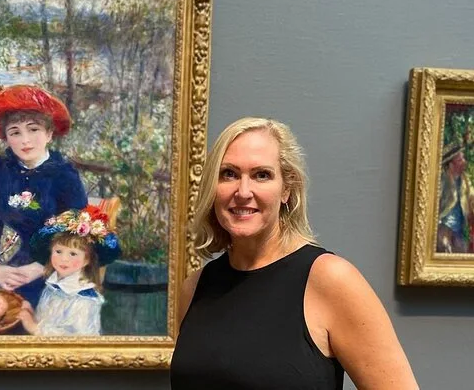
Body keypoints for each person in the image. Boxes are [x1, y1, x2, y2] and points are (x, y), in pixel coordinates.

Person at [170, 117, 418, 389]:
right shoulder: (194, 288)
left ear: (286, 189)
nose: (243, 191)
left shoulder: (331, 279)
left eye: (261, 175)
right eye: (229, 174)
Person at [0, 84, 88, 309]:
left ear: (49, 134)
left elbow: (79, 240)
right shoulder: (4, 177)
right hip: (10, 275)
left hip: (54, 277)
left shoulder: (64, 177)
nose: (25, 140)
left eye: (33, 130)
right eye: (15, 132)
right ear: (6, 138)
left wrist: (39, 268)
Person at [18, 205, 121, 335]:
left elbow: (74, 339)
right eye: (58, 251)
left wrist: (34, 328)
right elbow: (47, 321)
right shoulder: (53, 285)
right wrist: (30, 314)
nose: (64, 259)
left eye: (73, 254)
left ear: (87, 260)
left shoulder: (83, 298)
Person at [437, 144, 474, 253]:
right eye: (460, 160)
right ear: (451, 165)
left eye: (463, 158)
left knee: (461, 252)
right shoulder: (442, 181)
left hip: (459, 229)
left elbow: (471, 198)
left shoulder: (465, 180)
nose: (464, 162)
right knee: (444, 250)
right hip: (443, 227)